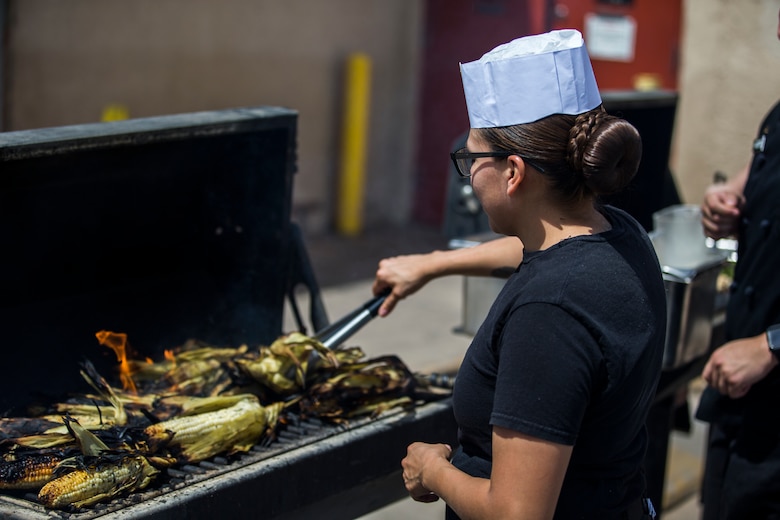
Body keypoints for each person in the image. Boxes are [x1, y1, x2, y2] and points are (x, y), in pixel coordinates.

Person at [372, 29, 666, 519]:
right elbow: (534, 247)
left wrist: (433, 471)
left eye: (469, 159)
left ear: (512, 172)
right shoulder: (619, 233)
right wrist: (432, 264)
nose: (467, 175)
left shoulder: (549, 316)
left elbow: (518, 513)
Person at [694, 10, 780, 518]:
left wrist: (772, 345)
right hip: (742, 399)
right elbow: (744, 187)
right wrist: (721, 202)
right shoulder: (777, 114)